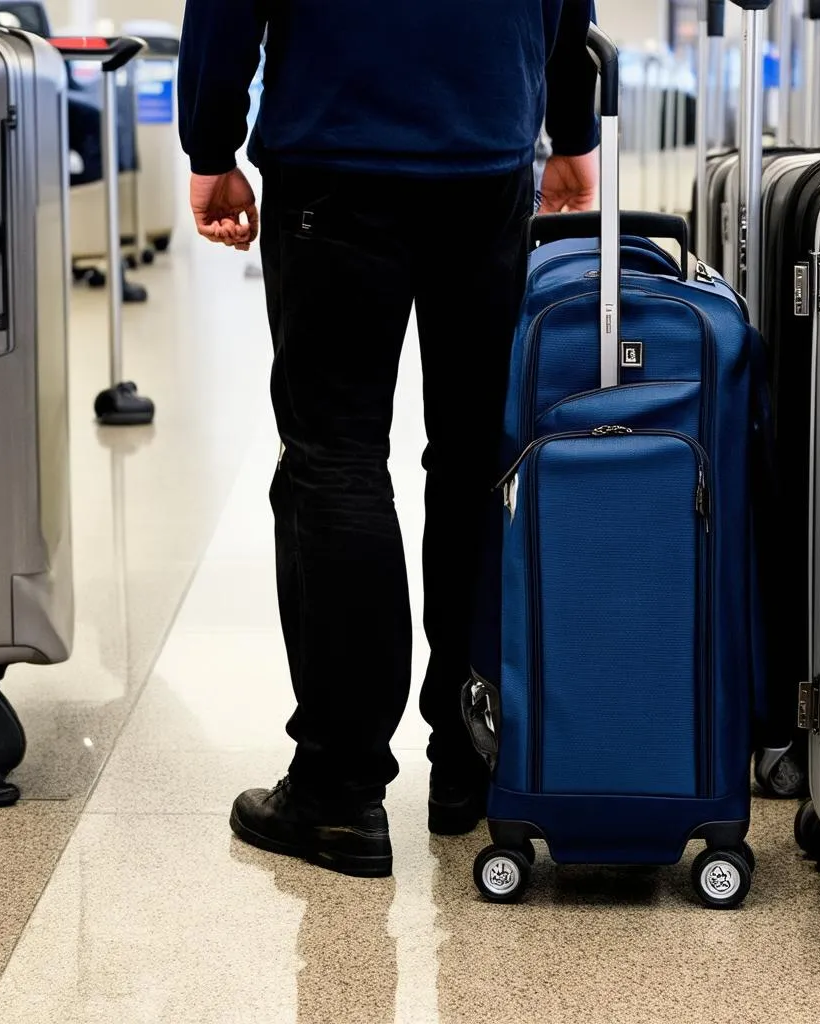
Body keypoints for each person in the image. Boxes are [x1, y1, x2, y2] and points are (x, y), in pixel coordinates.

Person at [177, 0, 600, 879]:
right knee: (478, 459)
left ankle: (339, 790)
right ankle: (472, 759)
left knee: (333, 458)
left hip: (337, 145)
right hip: (486, 144)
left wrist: (211, 145)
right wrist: (571, 129)